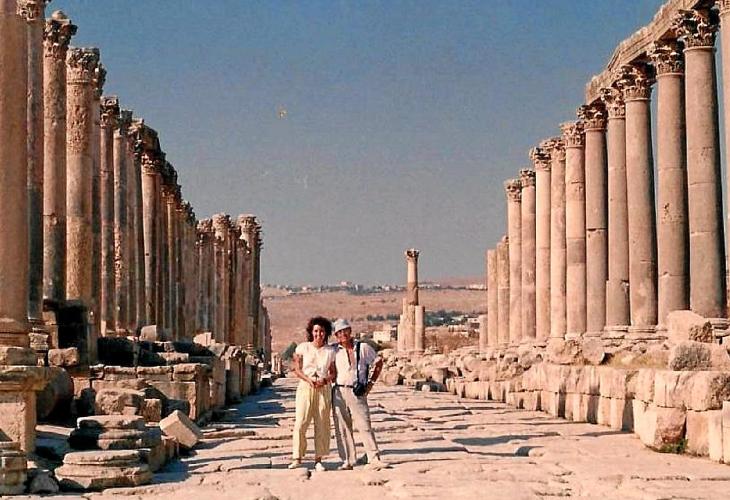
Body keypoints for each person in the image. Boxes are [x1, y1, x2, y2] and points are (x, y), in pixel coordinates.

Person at [331, 318, 387, 471]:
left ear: (350, 331)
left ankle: (373, 457)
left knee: (364, 425)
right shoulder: (334, 350)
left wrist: (371, 383)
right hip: (339, 391)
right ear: (336, 335)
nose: (342, 334)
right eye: (339, 332)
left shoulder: (363, 347)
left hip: (357, 391)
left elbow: (378, 362)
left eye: (345, 331)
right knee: (343, 427)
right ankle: (348, 460)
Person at [289, 316, 337, 471]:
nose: (319, 334)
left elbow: (333, 373)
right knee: (301, 422)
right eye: (316, 331)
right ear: (311, 332)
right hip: (306, 386)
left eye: (322, 331)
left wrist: (325, 380)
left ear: (326, 333)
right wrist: (308, 380)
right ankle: (297, 457)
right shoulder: (302, 348)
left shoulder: (331, 351)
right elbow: (297, 369)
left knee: (322, 423)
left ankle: (319, 459)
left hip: (323, 388)